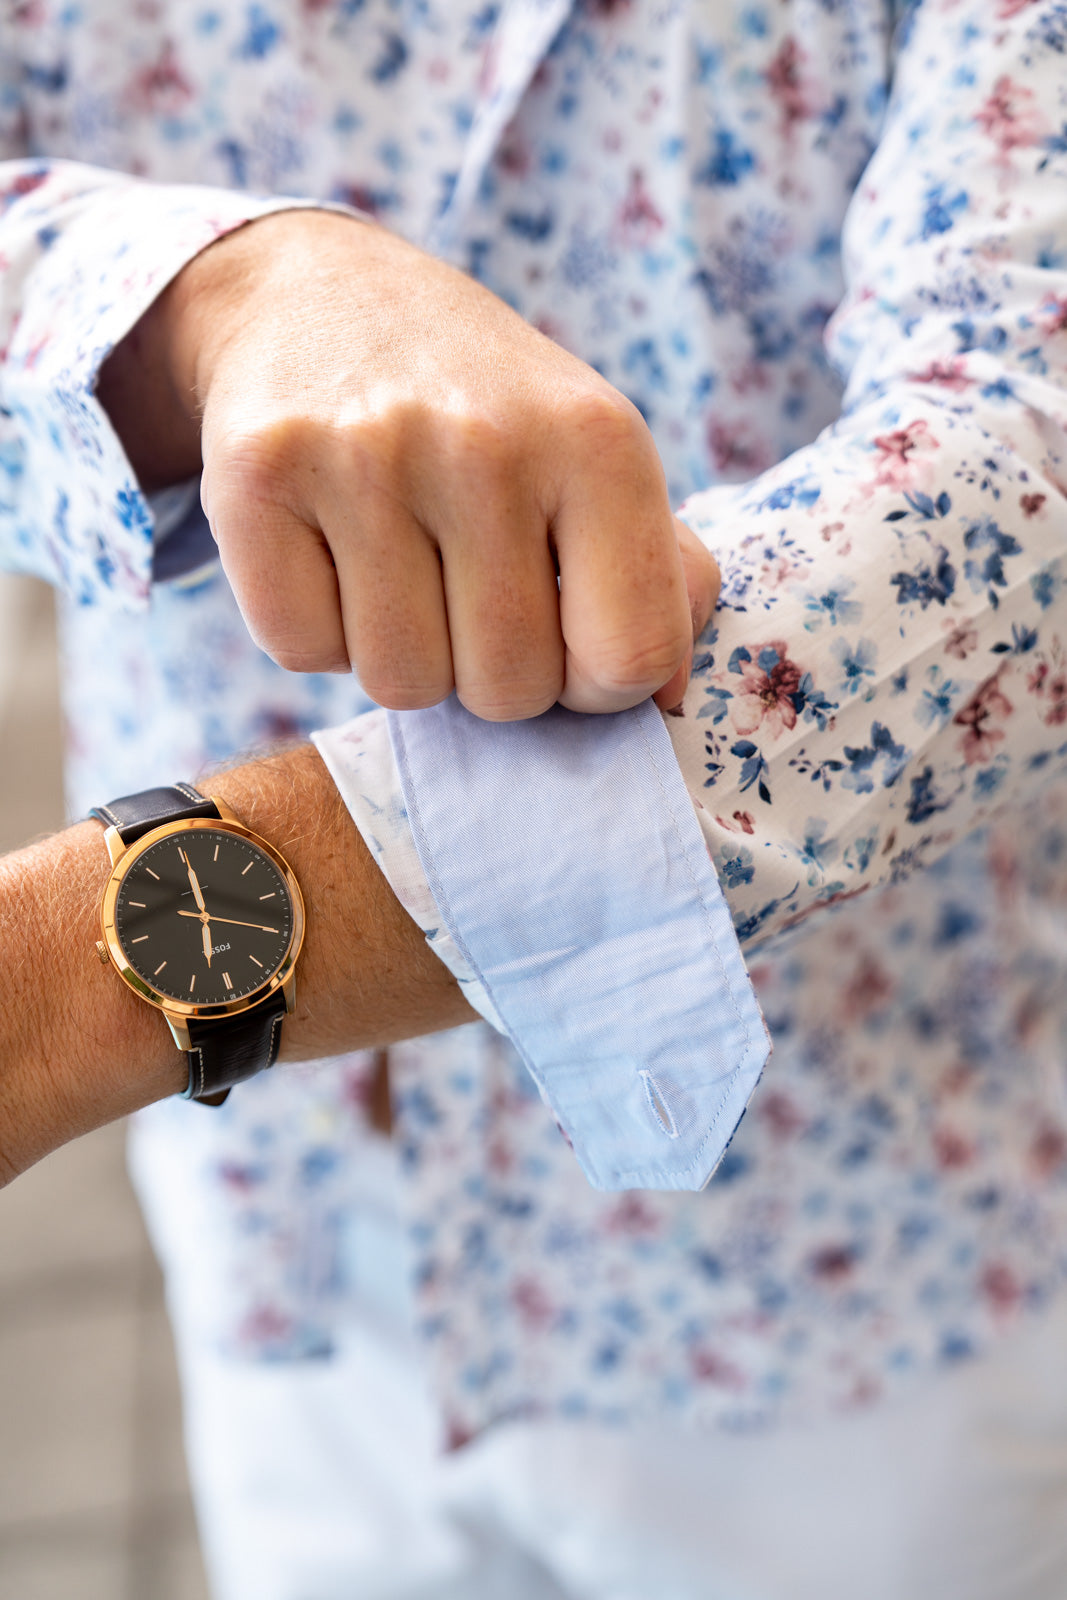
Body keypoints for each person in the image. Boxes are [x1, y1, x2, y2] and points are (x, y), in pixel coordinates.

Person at [3, 0, 1067, 1595]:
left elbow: (1024, 467)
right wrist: (209, 298)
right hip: (293, 1227)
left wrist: (77, 984)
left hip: (837, 1265)